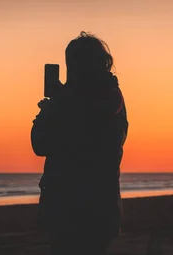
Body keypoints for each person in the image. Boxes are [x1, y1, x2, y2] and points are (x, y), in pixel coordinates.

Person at [31, 31, 129, 255]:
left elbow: (88, 128)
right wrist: (47, 112)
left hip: (93, 207)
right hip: (66, 207)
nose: (72, 70)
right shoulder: (69, 100)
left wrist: (58, 104)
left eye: (76, 63)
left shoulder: (110, 97)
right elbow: (40, 144)